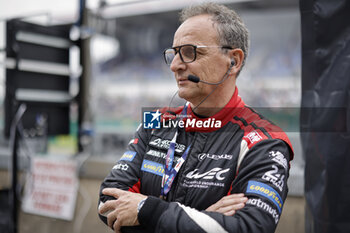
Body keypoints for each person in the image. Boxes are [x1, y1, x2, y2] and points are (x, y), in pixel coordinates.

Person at [98, 2, 294, 233]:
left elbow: (249, 227)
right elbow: (108, 202)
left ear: (233, 61)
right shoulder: (156, 122)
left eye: (190, 52)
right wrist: (204, 220)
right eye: (174, 53)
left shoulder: (265, 141)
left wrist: (147, 210)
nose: (175, 65)